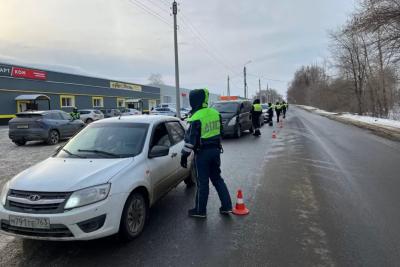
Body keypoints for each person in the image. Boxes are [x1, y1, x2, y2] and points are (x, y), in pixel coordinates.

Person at [180, 88, 232, 218]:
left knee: (202, 183)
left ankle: (200, 210)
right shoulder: (215, 113)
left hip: (202, 154)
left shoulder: (196, 117)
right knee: (217, 179)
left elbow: (189, 142)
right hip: (215, 151)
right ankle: (227, 206)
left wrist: (183, 156)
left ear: (195, 101)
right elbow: (221, 132)